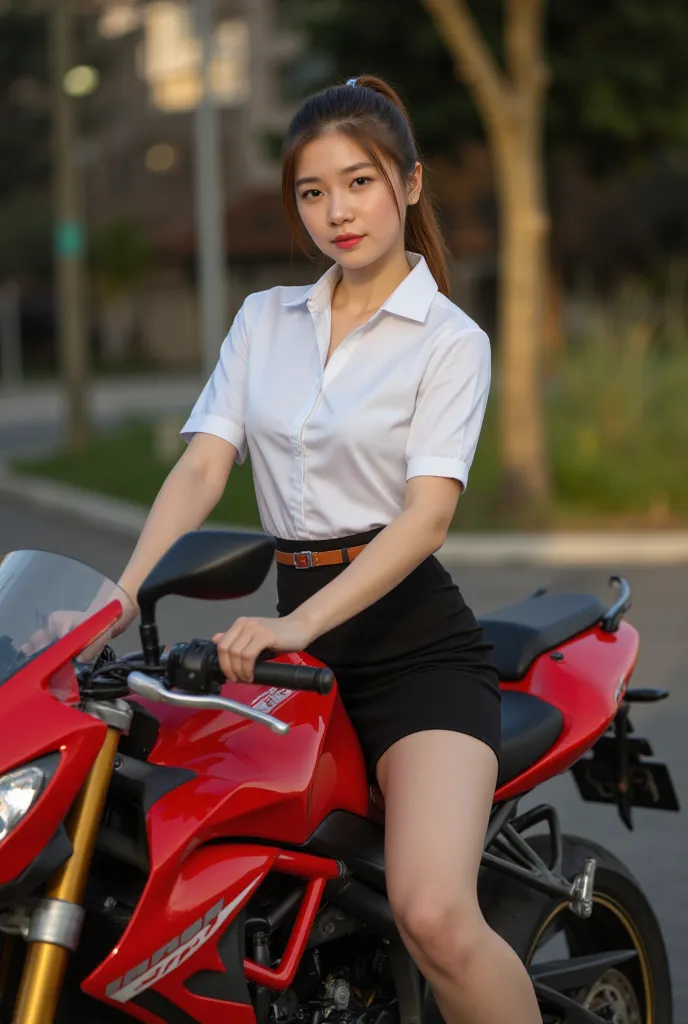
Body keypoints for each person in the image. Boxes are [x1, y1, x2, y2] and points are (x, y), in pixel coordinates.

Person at [98, 76, 540, 1023]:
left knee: (432, 913)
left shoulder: (449, 341)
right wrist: (112, 597)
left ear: (410, 186)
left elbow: (425, 519)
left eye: (360, 182)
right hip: (291, 657)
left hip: (412, 652)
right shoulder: (265, 320)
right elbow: (200, 472)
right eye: (312, 191)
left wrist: (294, 621)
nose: (337, 211)